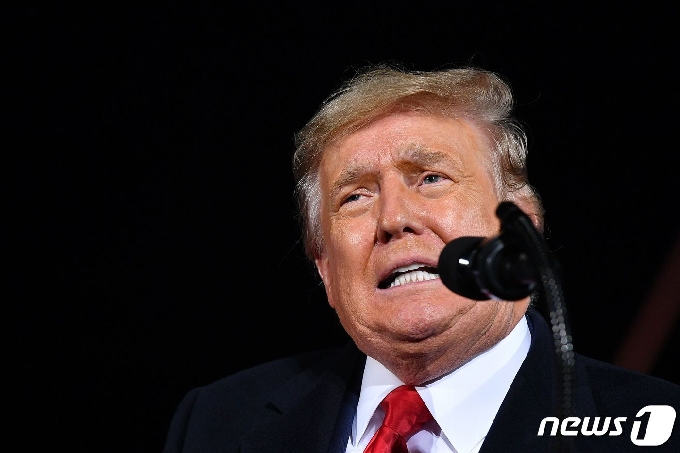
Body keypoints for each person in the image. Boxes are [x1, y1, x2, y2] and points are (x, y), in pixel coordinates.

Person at [162, 64, 680, 452]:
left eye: (431, 178)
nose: (393, 218)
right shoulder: (215, 423)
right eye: (355, 196)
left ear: (521, 232)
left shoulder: (660, 427)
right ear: (325, 267)